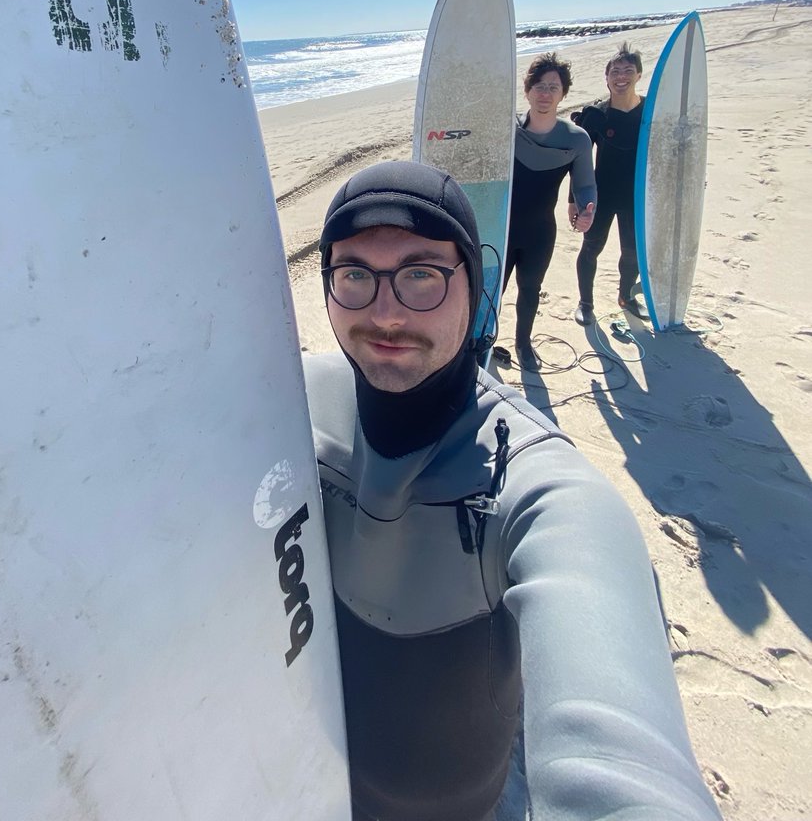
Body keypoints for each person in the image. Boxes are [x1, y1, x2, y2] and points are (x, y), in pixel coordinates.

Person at [304, 159, 719, 821]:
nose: (384, 313)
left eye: (420, 274)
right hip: (306, 792)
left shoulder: (539, 489)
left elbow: (620, 772)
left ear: (476, 286)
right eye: (354, 274)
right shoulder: (292, 404)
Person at [501, 53, 596, 372]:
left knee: (530, 289)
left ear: (563, 93)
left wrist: (586, 210)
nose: (545, 94)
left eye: (553, 87)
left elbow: (585, 186)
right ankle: (480, 343)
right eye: (539, 86)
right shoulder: (505, 129)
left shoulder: (576, 140)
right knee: (489, 292)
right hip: (499, 229)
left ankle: (523, 344)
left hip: (539, 231)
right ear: (526, 91)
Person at [571, 42, 648, 326]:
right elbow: (579, 159)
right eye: (615, 71)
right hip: (601, 194)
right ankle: (585, 303)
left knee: (633, 251)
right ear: (607, 78)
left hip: (636, 197)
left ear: (639, 75)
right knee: (591, 247)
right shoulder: (596, 115)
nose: (621, 76)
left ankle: (627, 297)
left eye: (628, 70)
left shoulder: (651, 112)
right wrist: (574, 201)